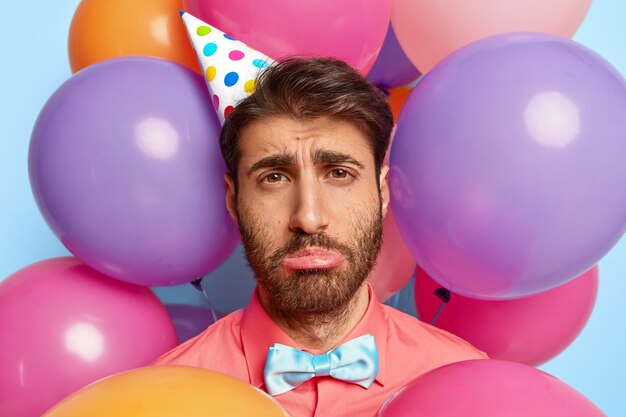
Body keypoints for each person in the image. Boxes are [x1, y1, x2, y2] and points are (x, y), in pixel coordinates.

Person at [152, 57, 487, 417]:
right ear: (234, 201)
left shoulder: (470, 386)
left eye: (339, 173)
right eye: (274, 178)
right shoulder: (160, 399)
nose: (309, 219)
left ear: (382, 193)